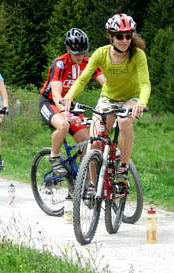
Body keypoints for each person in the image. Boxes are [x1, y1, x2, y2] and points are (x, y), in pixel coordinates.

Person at [64, 14, 151, 184]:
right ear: (111, 36)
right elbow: (83, 79)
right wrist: (69, 96)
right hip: (108, 99)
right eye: (119, 36)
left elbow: (145, 84)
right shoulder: (101, 54)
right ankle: (93, 186)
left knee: (124, 121)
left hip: (131, 99)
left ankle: (123, 169)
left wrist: (141, 103)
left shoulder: (137, 54)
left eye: (128, 36)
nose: (124, 40)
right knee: (95, 143)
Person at [39, 28, 104, 175]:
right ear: (68, 49)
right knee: (63, 125)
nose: (80, 56)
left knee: (89, 146)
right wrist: (64, 112)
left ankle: (85, 185)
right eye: (77, 53)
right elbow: (56, 94)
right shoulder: (60, 64)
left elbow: (106, 84)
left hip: (70, 104)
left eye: (83, 52)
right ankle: (54, 157)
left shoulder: (89, 63)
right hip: (49, 102)